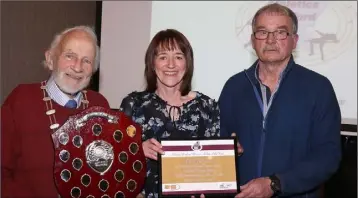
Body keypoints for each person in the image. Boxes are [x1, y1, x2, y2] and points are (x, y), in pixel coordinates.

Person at [218, 3, 341, 198]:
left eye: (280, 32)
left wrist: (276, 183)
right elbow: (219, 142)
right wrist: (228, 148)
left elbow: (328, 156)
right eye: (262, 32)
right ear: (252, 40)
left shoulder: (318, 88)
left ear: (295, 40)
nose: (270, 40)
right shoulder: (234, 87)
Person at [1, 25, 110, 198]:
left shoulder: (99, 105)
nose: (77, 67)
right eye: (69, 56)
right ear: (50, 59)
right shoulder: (21, 100)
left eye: (87, 60)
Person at [119, 29, 220, 198]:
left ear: (187, 64)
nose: (171, 65)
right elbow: (113, 159)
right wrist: (136, 149)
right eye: (163, 57)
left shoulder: (207, 107)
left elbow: (214, 166)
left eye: (179, 57)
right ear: (152, 63)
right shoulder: (133, 105)